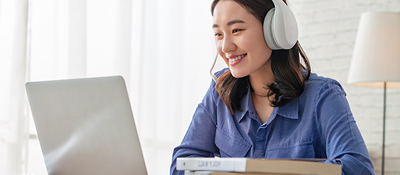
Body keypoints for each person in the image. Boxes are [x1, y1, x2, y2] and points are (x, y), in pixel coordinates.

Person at [170, 0, 375, 174]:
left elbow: (357, 168)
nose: (226, 47)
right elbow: (182, 163)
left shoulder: (323, 96)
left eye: (236, 30)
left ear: (276, 30)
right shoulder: (219, 91)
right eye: (219, 34)